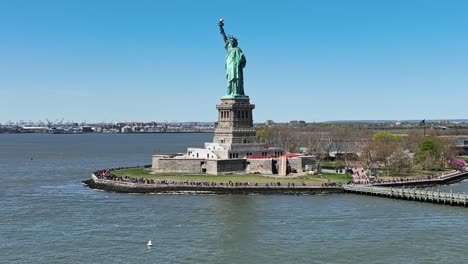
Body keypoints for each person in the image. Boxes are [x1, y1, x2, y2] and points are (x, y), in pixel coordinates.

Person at [219, 20, 247, 97]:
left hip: (236, 67)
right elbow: (224, 37)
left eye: (233, 41)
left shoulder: (238, 49)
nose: (231, 43)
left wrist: (242, 59)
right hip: (230, 66)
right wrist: (221, 27)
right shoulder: (229, 48)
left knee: (237, 79)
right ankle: (230, 92)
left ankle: (237, 92)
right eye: (230, 42)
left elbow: (243, 60)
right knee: (230, 79)